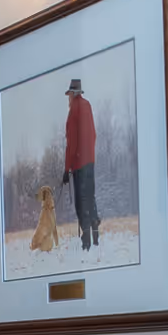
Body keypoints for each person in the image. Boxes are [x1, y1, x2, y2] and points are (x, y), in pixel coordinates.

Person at [61, 77, 100, 250]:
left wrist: (67, 168)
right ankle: (95, 233)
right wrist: (89, 156)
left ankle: (86, 241)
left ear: (73, 94)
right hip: (90, 161)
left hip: (78, 164)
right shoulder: (88, 106)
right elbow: (93, 134)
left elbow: (72, 142)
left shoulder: (74, 111)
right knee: (90, 197)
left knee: (80, 201)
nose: (68, 98)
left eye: (69, 94)